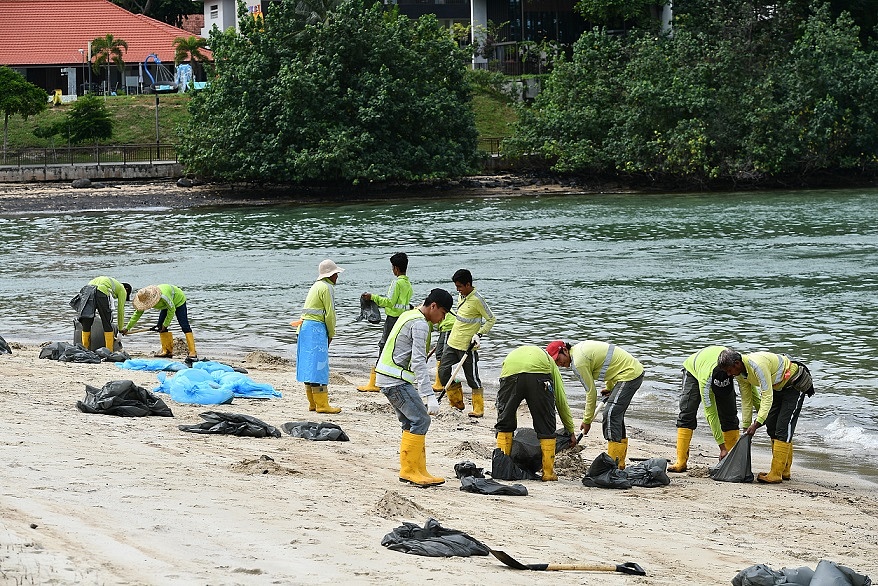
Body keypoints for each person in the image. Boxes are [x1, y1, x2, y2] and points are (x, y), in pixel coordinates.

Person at [376, 288, 454, 487]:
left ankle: (418, 469)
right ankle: (410, 471)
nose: (442, 319)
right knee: (421, 420)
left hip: (388, 377)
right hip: (395, 380)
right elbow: (419, 362)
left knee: (411, 423)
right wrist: (429, 395)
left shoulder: (409, 315)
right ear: (433, 306)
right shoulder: (420, 324)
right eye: (443, 313)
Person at [718, 349, 814, 484]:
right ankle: (784, 470)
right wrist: (746, 426)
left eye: (729, 370)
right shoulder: (740, 374)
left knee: (783, 428)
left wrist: (756, 424)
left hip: (793, 384)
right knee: (772, 426)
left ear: (737, 363)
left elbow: (767, 396)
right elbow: (747, 399)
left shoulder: (757, 365)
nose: (729, 374)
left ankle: (776, 473)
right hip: (777, 388)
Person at [546, 340, 643, 470]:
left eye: (559, 359)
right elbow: (609, 365)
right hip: (626, 373)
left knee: (610, 414)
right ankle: (619, 463)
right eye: (556, 363)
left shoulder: (578, 362)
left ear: (564, 350)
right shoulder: (579, 350)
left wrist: (587, 420)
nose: (559, 364)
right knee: (615, 415)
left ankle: (614, 465)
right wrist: (609, 387)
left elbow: (591, 392)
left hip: (630, 374)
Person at [494, 345, 577, 481]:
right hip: (539, 375)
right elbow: (560, 400)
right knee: (545, 423)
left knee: (505, 424)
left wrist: (504, 418)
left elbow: (503, 404)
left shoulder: (515, 355)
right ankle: (548, 473)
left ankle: (502, 467)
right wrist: (570, 430)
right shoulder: (549, 362)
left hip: (509, 370)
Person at [667, 346, 742, 472]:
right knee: (687, 412)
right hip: (694, 371)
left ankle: (730, 461)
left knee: (730, 415)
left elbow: (750, 392)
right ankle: (681, 461)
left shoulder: (736, 366)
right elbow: (710, 413)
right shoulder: (705, 379)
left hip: (723, 366)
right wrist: (722, 447)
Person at [438, 269, 496, 417]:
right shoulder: (460, 296)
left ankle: (478, 408)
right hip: (452, 342)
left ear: (468, 284)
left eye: (460, 286)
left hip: (467, 347)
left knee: (473, 378)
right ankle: (457, 402)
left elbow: (491, 319)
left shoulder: (477, 299)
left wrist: (479, 334)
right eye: (456, 287)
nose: (457, 289)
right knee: (443, 372)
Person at [357, 253, 413, 392]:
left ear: (396, 268)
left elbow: (389, 302)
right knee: (399, 348)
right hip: (404, 319)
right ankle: (396, 377)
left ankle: (374, 382)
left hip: (392, 319)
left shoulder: (397, 283)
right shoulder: (408, 283)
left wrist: (373, 297)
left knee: (383, 346)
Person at [296, 259, 344, 414]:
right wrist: (331, 333)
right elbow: (330, 315)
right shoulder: (327, 287)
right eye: (336, 273)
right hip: (316, 329)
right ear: (330, 275)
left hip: (304, 328)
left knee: (309, 365)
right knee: (319, 366)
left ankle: (313, 403)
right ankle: (322, 405)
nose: (337, 276)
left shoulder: (316, 286)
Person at [122, 284, 197, 359]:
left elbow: (172, 309)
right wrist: (127, 328)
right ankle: (167, 351)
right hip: (165, 305)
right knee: (160, 326)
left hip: (178, 301)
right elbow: (137, 314)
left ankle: (192, 352)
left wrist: (166, 324)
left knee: (184, 325)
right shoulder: (143, 299)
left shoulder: (164, 297)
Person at [72, 276, 132, 351]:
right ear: (127, 289)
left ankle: (85, 349)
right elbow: (121, 311)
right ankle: (109, 351)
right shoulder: (122, 289)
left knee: (87, 321)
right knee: (106, 322)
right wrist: (120, 330)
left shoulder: (108, 282)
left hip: (87, 291)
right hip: (101, 291)